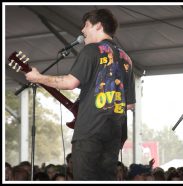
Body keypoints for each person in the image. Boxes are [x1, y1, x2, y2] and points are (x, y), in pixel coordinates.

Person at [25, 8, 136, 180]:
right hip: (114, 134)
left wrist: (38, 78)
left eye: (86, 25)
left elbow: (70, 82)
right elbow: (129, 104)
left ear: (98, 26)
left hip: (90, 131)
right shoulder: (126, 58)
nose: (82, 31)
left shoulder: (91, 50)